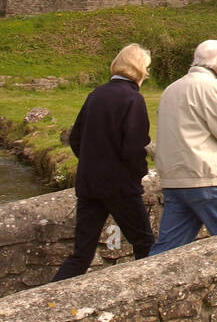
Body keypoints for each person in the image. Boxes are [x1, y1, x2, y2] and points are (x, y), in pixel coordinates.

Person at [52, 44, 154, 282]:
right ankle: (148, 296)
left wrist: (94, 162)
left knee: (81, 255)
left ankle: (46, 300)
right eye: (146, 69)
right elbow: (133, 148)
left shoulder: (96, 94)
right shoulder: (132, 99)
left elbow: (75, 139)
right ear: (139, 70)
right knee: (145, 243)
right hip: (120, 187)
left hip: (89, 184)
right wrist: (139, 174)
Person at [147, 39, 217, 256]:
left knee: (164, 254)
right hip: (205, 181)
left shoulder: (171, 89)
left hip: (175, 182)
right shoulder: (211, 87)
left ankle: (141, 288)